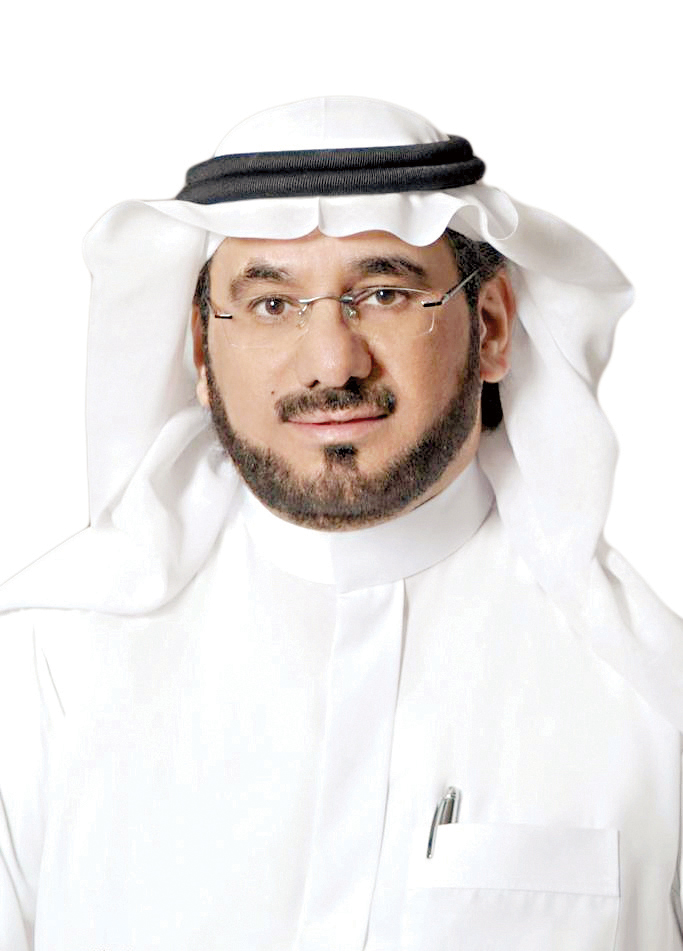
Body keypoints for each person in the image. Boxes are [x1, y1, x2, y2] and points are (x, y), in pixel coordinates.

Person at [0, 96, 681, 951]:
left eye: (384, 293)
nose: (330, 363)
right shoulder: (45, 675)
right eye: (271, 304)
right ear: (202, 353)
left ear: (491, 327)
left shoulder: (647, 696)